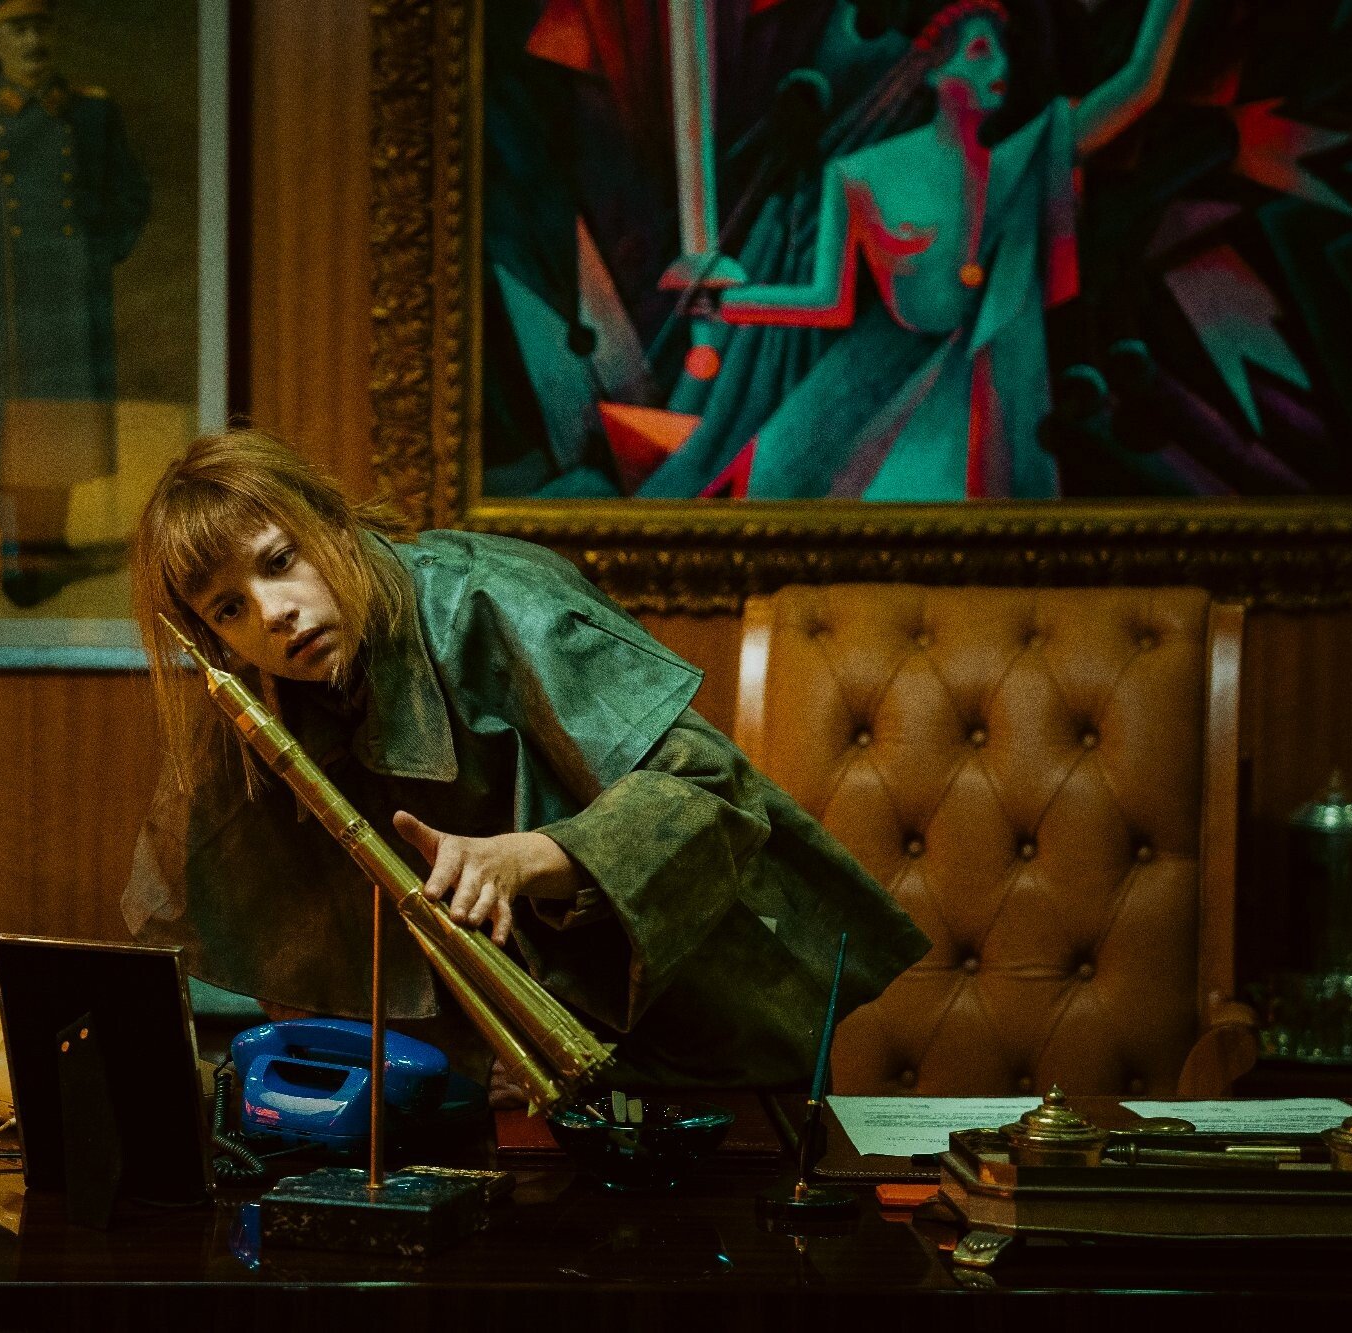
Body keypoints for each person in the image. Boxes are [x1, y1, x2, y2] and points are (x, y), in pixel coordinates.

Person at [120, 431, 930, 1097]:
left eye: (278, 561)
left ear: (331, 524)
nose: (272, 613)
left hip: (706, 1056)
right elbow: (250, 929)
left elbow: (711, 787)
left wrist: (523, 859)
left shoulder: (495, 600)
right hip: (515, 1099)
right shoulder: (250, 702)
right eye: (229, 607)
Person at [640, 0, 1194, 501]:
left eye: (1002, 52)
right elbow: (826, 302)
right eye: (980, 51)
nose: (998, 68)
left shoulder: (1018, 164)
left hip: (976, 387)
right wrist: (722, 302)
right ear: (933, 70)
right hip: (867, 384)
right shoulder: (864, 173)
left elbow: (1137, 88)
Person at [0, 0, 151, 606]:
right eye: (17, 29)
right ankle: (13, 554)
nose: (32, 41)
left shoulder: (93, 111)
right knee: (2, 425)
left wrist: (98, 253)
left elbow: (130, 193)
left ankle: (50, 548)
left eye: (40, 26)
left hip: (71, 293)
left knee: (61, 419)